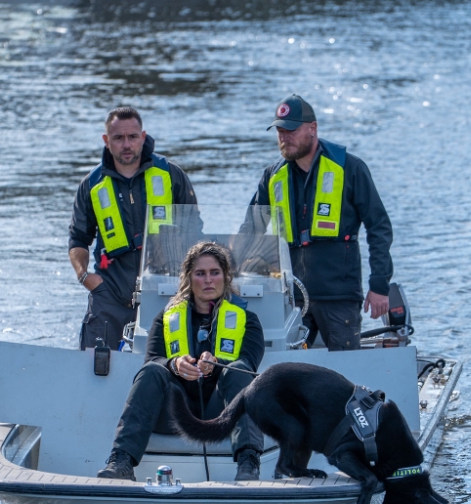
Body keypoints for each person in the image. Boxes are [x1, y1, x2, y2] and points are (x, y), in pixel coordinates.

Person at [97, 241, 265, 482]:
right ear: (189, 278)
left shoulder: (249, 320)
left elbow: (249, 362)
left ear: (226, 276)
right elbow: (153, 358)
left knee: (240, 370)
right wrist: (174, 364)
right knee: (152, 370)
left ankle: (249, 463)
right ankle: (121, 461)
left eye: (214, 272)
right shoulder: (165, 319)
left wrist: (216, 363)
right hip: (176, 413)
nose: (208, 280)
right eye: (200, 273)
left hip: (223, 414)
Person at [249, 94, 394, 351]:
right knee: (288, 369)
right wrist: (235, 272)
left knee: (345, 368)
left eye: (291, 131)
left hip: (338, 296)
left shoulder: (349, 168)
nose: (285, 137)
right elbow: (251, 230)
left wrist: (379, 286)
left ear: (312, 128)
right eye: (280, 131)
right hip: (291, 297)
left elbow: (379, 227)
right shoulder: (272, 176)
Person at [69, 107, 198, 350]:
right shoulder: (92, 185)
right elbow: (78, 240)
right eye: (118, 138)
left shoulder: (171, 175)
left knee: (174, 363)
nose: (126, 144)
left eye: (132, 137)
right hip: (109, 294)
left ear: (143, 136)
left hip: (166, 292)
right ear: (106, 140)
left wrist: (189, 284)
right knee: (93, 364)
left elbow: (194, 231)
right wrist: (85, 277)